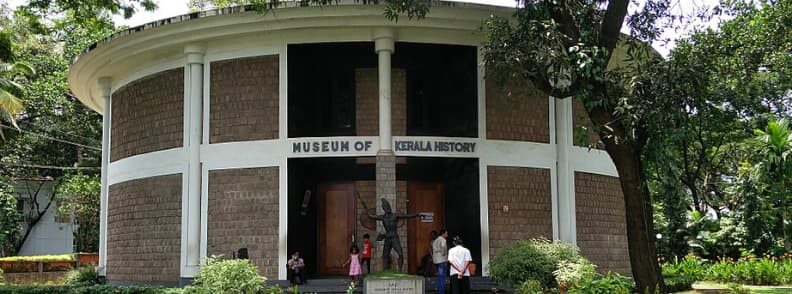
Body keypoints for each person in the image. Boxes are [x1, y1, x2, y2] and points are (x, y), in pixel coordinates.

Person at [432, 229, 449, 293]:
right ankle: (441, 292)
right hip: (442, 260)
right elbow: (443, 248)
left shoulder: (435, 240)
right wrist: (443, 253)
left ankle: (439, 290)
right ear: (443, 233)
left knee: (439, 276)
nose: (447, 235)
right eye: (446, 233)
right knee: (442, 277)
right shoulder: (443, 240)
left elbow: (433, 248)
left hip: (436, 260)